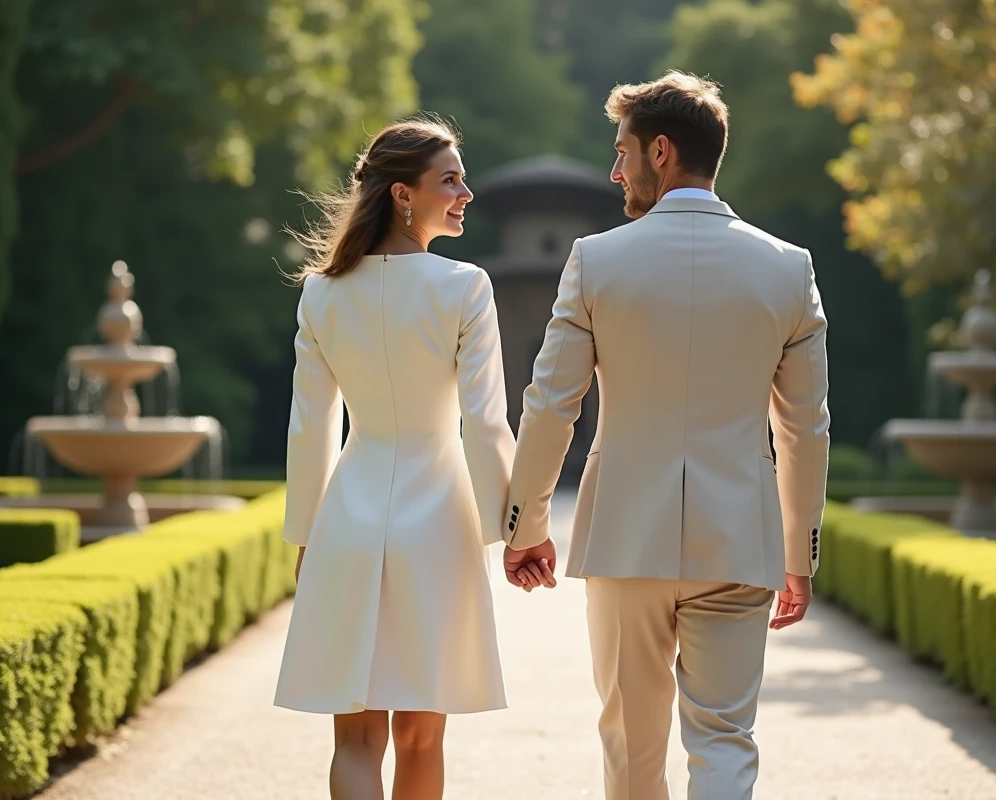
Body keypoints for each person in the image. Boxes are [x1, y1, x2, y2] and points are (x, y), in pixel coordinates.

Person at [502, 71, 831, 800]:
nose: (614, 170)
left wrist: (525, 522)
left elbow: (552, 402)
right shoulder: (789, 268)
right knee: (724, 739)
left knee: (631, 744)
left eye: (621, 152)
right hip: (739, 542)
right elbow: (805, 425)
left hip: (626, 538)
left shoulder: (596, 259)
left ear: (660, 150)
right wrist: (798, 548)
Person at [274, 116, 527, 800]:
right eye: (451, 180)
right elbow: (486, 423)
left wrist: (303, 534)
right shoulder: (466, 287)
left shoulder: (322, 294)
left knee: (355, 741)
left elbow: (309, 427)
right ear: (402, 194)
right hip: (437, 527)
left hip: (347, 525)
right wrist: (514, 531)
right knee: (422, 739)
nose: (466, 192)